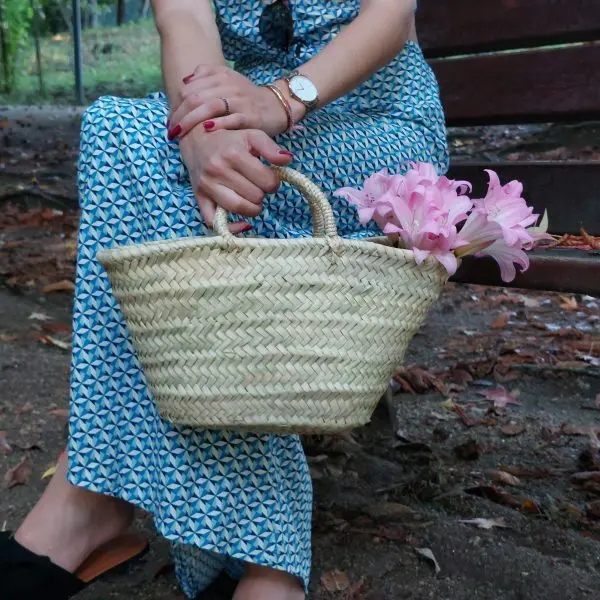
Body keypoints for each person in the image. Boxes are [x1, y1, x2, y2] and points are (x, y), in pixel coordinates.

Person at [1, 1, 448, 598]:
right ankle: (249, 546)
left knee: (162, 160)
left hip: (375, 127)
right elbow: (184, 20)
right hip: (242, 119)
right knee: (117, 130)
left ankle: (101, 498)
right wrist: (201, 135)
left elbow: (391, 15)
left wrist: (283, 99)